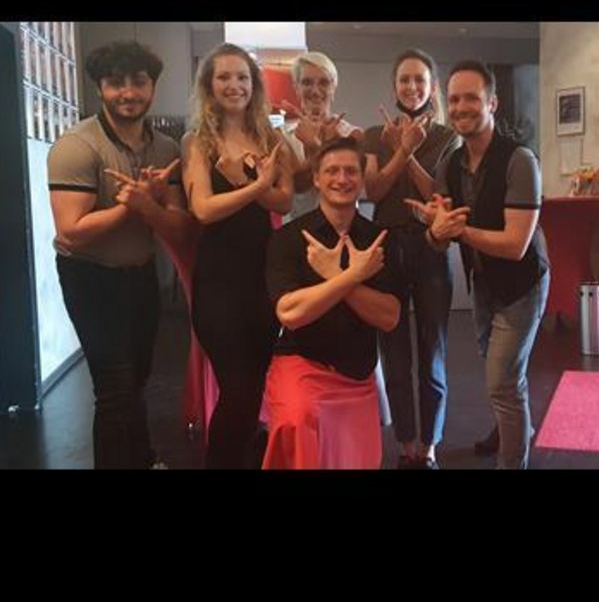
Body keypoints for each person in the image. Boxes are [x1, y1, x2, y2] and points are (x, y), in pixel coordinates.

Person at [48, 40, 192, 469]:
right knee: (114, 389)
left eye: (139, 82)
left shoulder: (166, 150)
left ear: (152, 87)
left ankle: (143, 458)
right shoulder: (77, 146)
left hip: (141, 273)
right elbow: (71, 233)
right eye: (115, 83)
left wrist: (153, 206)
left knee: (138, 381)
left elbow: (181, 229)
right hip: (89, 277)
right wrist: (132, 207)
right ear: (100, 88)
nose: (128, 93)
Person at [407, 60, 550, 470]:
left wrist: (457, 231)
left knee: (502, 382)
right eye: (454, 100)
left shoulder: (519, 160)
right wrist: (435, 229)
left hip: (523, 284)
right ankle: (512, 428)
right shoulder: (451, 164)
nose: (460, 107)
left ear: (492, 103)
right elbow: (439, 234)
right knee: (500, 373)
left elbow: (516, 245)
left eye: (471, 98)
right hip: (483, 282)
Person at [180, 43, 294, 469]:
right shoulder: (198, 141)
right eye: (224, 77)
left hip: (263, 279)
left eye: (242, 77)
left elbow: (284, 201)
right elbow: (204, 210)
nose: (234, 85)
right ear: (209, 85)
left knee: (252, 387)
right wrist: (255, 186)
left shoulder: (271, 138)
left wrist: (249, 184)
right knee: (239, 388)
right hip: (218, 281)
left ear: (254, 84)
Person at [262, 138, 400, 469]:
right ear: (316, 179)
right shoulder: (289, 238)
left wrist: (335, 275)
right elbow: (289, 313)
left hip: (356, 372)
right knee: (298, 422)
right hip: (302, 363)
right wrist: (351, 276)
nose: (342, 179)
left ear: (362, 179)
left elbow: (389, 317)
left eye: (351, 171)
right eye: (332, 171)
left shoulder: (379, 240)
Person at [363, 49, 460, 469]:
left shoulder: (447, 137)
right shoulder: (374, 135)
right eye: (404, 79)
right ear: (394, 85)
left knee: (432, 351)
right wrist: (400, 149)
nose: (411, 87)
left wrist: (410, 151)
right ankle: (406, 444)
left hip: (430, 246)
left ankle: (430, 444)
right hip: (385, 248)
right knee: (395, 355)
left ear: (432, 87)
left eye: (420, 79)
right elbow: (373, 191)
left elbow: (437, 195)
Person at [280, 51, 363, 220]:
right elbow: (297, 185)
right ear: (296, 88)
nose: (315, 91)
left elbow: (353, 185)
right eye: (307, 83)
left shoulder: (352, 134)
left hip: (345, 225)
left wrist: (320, 147)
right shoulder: (282, 135)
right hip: (298, 226)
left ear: (334, 87)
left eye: (324, 83)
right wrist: (316, 147)